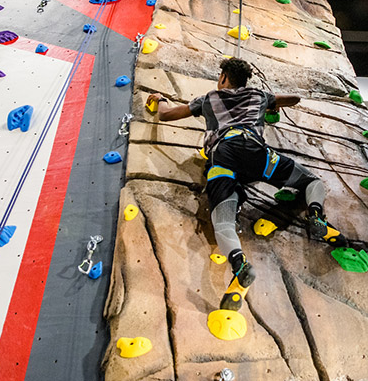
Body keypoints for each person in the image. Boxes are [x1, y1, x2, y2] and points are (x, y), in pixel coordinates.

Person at [146, 58, 348, 312]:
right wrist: (271, 103)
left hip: (224, 156)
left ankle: (240, 263)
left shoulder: (208, 99)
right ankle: (316, 213)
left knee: (223, 222)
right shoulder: (258, 95)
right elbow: (294, 99)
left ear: (223, 78)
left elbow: (166, 115)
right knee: (311, 181)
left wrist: (159, 98)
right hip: (257, 154)